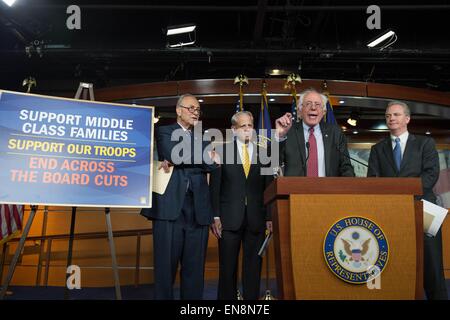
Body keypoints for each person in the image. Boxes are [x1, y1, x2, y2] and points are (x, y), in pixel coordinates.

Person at [367, 101, 448, 300]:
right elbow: (373, 180)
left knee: (432, 267)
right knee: (397, 264)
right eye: (388, 116)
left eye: (395, 114)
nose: (391, 119)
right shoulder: (377, 149)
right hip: (391, 213)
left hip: (424, 209)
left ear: (407, 119)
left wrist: (406, 195)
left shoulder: (424, 144)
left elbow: (431, 175)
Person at [141, 93, 219, 300]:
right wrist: (201, 158)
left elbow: (212, 165)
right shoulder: (164, 131)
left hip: (198, 212)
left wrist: (189, 159)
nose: (195, 112)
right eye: (190, 108)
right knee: (165, 269)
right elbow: (172, 154)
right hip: (169, 209)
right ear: (178, 110)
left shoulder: (203, 137)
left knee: (194, 272)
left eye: (197, 110)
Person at [210, 111, 273, 300]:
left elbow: (269, 187)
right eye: (243, 126)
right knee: (227, 268)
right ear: (233, 129)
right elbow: (215, 188)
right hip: (228, 220)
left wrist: (269, 217)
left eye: (250, 126)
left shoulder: (265, 153)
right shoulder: (220, 152)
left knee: (253, 267)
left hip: (257, 218)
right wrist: (215, 217)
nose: (247, 129)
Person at [275, 88, 355, 177]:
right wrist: (279, 137)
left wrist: (347, 187)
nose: (313, 107)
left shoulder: (335, 133)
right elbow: (269, 166)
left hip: (328, 190)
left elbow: (346, 167)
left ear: (324, 111)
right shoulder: (288, 131)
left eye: (317, 104)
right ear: (300, 110)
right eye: (308, 104)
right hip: (295, 190)